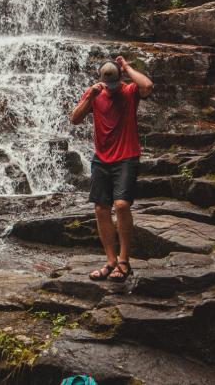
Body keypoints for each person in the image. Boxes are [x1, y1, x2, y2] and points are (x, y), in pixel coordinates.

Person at [69, 55, 153, 282]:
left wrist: (126, 67)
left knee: (122, 205)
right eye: (110, 84)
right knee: (100, 209)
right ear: (102, 81)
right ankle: (110, 261)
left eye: (116, 83)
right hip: (101, 158)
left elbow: (147, 85)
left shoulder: (129, 91)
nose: (113, 88)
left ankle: (124, 261)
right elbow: (75, 119)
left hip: (127, 156)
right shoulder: (94, 93)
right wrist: (91, 98)